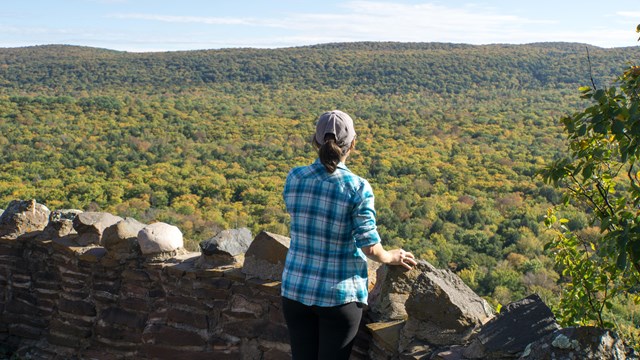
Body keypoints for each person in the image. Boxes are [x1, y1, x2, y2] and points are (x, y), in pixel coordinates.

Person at [281, 109, 417, 359]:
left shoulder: (295, 177)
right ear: (353, 143)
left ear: (316, 141)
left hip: (295, 290)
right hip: (339, 296)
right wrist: (391, 257)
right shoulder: (357, 187)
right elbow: (369, 247)